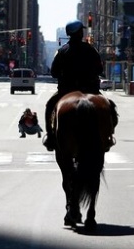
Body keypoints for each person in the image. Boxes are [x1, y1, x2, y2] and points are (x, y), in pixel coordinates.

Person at [43, 19, 117, 151]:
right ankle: (108, 136)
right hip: (90, 90)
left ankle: (50, 137)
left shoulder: (62, 51)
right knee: (109, 107)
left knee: (50, 106)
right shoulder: (90, 50)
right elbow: (99, 69)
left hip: (66, 90)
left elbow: (54, 72)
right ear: (79, 33)